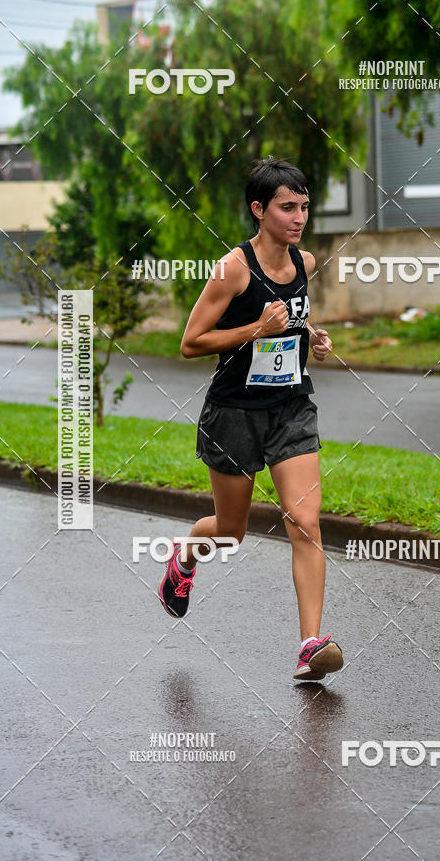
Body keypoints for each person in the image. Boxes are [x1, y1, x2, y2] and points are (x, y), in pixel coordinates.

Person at [158, 157, 344, 682]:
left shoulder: (304, 263)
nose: (299, 216)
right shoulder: (233, 268)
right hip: (234, 412)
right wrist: (255, 331)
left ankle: (311, 644)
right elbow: (190, 342)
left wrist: (313, 340)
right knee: (231, 531)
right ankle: (186, 554)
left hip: (291, 407)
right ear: (259, 210)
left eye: (304, 207)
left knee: (304, 522)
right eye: (288, 207)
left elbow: (295, 325)